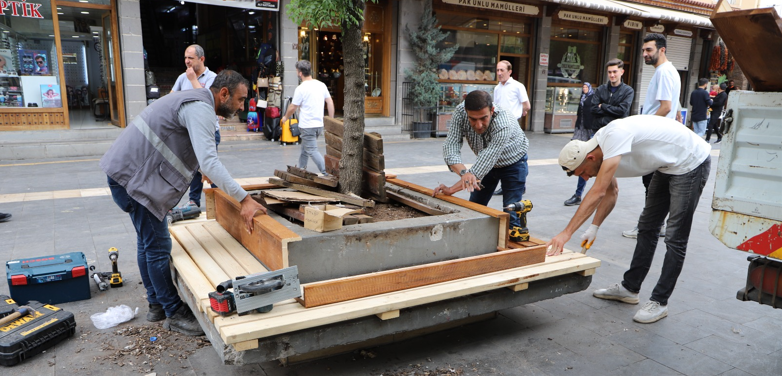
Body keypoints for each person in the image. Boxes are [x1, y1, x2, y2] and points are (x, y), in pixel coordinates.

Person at [100, 70, 266, 336]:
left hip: (128, 175)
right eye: (239, 99)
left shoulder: (194, 101)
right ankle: (174, 312)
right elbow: (209, 160)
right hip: (134, 179)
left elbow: (201, 158)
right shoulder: (200, 107)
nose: (241, 107)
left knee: (147, 243)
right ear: (223, 93)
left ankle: (156, 305)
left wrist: (211, 176)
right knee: (158, 246)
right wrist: (244, 199)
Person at [547, 114, 711, 324]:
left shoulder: (613, 138)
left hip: (691, 162)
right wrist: (594, 227)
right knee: (647, 227)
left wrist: (566, 233)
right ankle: (630, 288)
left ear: (590, 158)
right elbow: (611, 191)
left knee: (674, 237)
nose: (586, 178)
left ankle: (660, 302)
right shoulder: (601, 150)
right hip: (667, 165)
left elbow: (597, 192)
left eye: (584, 173)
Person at [433, 90, 529, 241]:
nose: (478, 125)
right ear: (466, 112)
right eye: (473, 119)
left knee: (511, 212)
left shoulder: (504, 122)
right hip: (486, 164)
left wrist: (452, 189)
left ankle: (513, 251)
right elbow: (451, 147)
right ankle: (471, 242)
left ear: (492, 110)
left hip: (514, 163)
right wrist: (465, 173)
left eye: (484, 118)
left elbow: (483, 163)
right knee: (474, 207)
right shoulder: (460, 112)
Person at [622, 33, 681, 239]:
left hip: (656, 139)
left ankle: (648, 228)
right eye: (643, 50)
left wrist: (644, 127)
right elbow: (675, 108)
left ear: (661, 50)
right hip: (663, 137)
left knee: (652, 187)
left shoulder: (663, 72)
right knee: (655, 186)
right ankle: (655, 225)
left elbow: (665, 107)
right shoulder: (670, 70)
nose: (645, 54)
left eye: (649, 50)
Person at [565, 59, 635, 206]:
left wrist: (602, 106)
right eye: (609, 72)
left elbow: (623, 111)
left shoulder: (628, 91)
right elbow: (592, 109)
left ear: (622, 72)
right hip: (597, 133)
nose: (612, 75)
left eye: (615, 71)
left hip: (616, 136)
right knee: (585, 160)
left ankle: (608, 192)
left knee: (608, 166)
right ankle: (578, 195)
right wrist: (609, 109)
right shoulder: (601, 89)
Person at [170, 44, 219, 211]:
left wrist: (193, 80)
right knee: (192, 168)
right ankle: (194, 202)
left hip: (208, 132)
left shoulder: (213, 78)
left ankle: (220, 201)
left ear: (202, 59)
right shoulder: (182, 78)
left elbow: (208, 101)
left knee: (209, 167)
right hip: (188, 132)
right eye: (185, 58)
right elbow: (171, 99)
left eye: (191, 58)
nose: (187, 62)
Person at [281, 60, 335, 174]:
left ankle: (327, 172)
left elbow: (293, 107)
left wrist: (285, 117)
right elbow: (330, 102)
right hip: (318, 125)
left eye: (296, 71)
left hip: (307, 126)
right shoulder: (321, 85)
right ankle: (301, 169)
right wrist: (331, 120)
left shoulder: (301, 88)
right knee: (305, 148)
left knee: (312, 150)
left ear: (300, 73)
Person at [492, 60, 530, 196]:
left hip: (513, 125)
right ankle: (506, 184)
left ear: (509, 71)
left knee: (519, 154)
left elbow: (526, 105)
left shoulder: (517, 86)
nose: (499, 73)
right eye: (497, 70)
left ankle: (521, 182)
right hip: (500, 126)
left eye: (502, 70)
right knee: (504, 154)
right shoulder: (497, 88)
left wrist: (521, 113)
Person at [563, 83, 595, 206]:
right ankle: (578, 195)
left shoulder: (593, 98)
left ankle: (586, 195)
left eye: (586, 87)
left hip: (591, 131)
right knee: (582, 160)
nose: (584, 89)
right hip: (581, 129)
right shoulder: (583, 97)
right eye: (583, 87)